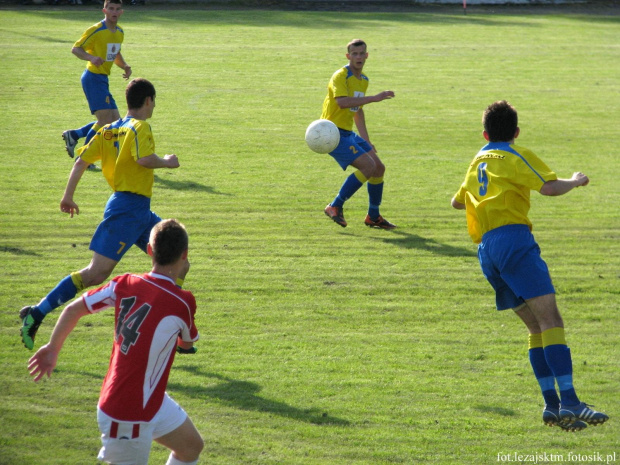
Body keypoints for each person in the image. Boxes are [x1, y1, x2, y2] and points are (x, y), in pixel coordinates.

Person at [451, 100, 609, 431]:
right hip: (513, 242)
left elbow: (457, 201)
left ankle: (552, 407)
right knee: (551, 320)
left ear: (484, 133)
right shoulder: (513, 155)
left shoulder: (477, 160)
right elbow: (549, 187)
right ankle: (570, 401)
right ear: (516, 132)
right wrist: (575, 180)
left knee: (535, 327)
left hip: (486, 251)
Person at [21, 77, 180, 350]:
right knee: (95, 274)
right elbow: (143, 159)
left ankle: (175, 332)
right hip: (126, 210)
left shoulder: (107, 131)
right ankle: (38, 312)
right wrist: (167, 162)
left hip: (140, 211)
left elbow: (81, 160)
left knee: (177, 262)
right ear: (148, 101)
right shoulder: (140, 127)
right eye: (154, 102)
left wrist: (68, 195)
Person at [28, 219, 204, 465]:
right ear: (184, 255)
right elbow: (186, 344)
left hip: (148, 400)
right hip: (128, 414)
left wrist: (52, 348)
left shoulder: (124, 283)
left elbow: (73, 309)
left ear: (150, 250)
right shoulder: (182, 301)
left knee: (191, 447)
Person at [321, 39, 396, 229]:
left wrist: (367, 140)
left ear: (367, 55)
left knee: (378, 168)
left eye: (362, 53)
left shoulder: (364, 80)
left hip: (347, 133)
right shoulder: (341, 76)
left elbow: (357, 109)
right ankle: (335, 206)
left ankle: (373, 216)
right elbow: (342, 102)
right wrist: (375, 98)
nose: (358, 57)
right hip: (331, 133)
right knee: (368, 167)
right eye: (354, 54)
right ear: (348, 56)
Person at [62, 0, 132, 159]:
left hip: (102, 80)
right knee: (105, 120)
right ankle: (84, 157)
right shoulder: (96, 30)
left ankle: (74, 135)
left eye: (117, 9)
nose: (114, 12)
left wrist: (125, 66)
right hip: (92, 78)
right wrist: (91, 57)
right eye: (111, 8)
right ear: (104, 11)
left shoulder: (119, 32)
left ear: (121, 12)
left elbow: (115, 53)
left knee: (115, 121)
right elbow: (76, 49)